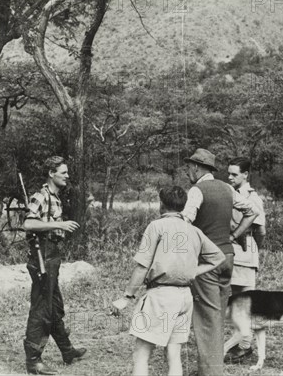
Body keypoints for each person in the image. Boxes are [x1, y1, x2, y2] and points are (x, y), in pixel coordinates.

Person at [113, 186, 225, 376]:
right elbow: (218, 257)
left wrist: (127, 297)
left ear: (162, 204)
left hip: (161, 296)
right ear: (182, 206)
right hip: (184, 297)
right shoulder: (194, 230)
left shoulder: (156, 226)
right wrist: (193, 271)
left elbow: (142, 266)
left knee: (141, 354)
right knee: (174, 354)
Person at [180, 148, 260, 376]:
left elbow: (186, 221)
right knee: (216, 317)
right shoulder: (227, 188)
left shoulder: (197, 190)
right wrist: (233, 237)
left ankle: (211, 372)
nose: (188, 172)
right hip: (228, 258)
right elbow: (252, 212)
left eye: (189, 167)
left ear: (196, 167)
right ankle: (210, 368)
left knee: (206, 319)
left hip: (207, 262)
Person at [22, 156, 86, 375]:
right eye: (63, 172)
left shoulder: (55, 198)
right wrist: (59, 224)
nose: (67, 176)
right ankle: (33, 361)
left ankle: (67, 351)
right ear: (51, 173)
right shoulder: (41, 196)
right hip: (43, 256)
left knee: (54, 306)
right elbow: (28, 223)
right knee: (42, 308)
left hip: (52, 255)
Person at [225, 156, 267, 362]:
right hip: (228, 253)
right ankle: (240, 342)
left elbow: (260, 230)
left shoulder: (252, 198)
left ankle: (245, 346)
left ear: (245, 175)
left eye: (234, 174)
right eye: (229, 173)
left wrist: (252, 249)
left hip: (245, 253)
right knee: (233, 302)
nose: (230, 177)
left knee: (246, 302)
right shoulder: (228, 193)